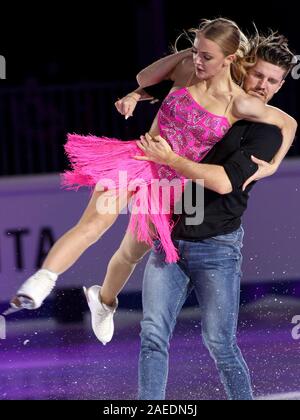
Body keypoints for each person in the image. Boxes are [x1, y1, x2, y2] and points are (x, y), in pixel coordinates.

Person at [10, 19, 296, 348]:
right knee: (94, 225)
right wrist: (181, 58)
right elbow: (145, 80)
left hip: (170, 186)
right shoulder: (187, 68)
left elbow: (288, 123)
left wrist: (273, 166)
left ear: (229, 59)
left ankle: (104, 302)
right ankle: (42, 282)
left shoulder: (241, 104)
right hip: (138, 160)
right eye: (197, 51)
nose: (199, 60)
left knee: (130, 253)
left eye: (207, 56)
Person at [136, 32, 297, 400]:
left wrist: (172, 161)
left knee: (219, 344)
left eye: (273, 81)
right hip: (170, 236)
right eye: (258, 75)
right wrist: (136, 94)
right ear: (243, 67)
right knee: (152, 336)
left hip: (217, 246)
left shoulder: (265, 130)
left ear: (281, 85)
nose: (263, 85)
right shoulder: (212, 94)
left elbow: (224, 182)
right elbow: (155, 86)